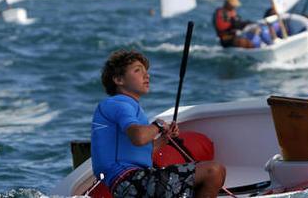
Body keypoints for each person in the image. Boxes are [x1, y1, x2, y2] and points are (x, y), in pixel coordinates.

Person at [91, 50, 226, 197]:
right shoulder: (120, 103)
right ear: (118, 79)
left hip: (128, 185)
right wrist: (158, 125)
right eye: (137, 70)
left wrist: (164, 140)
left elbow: (139, 152)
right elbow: (139, 137)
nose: (146, 75)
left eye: (146, 71)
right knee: (214, 171)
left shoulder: (124, 106)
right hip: (131, 181)